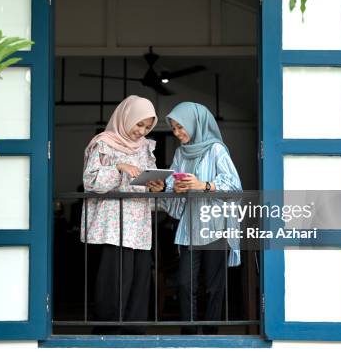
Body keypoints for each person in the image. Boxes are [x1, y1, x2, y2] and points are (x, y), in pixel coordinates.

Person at [149, 102, 242, 335]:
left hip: (215, 226)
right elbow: (173, 186)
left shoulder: (217, 150)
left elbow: (235, 186)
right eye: (174, 129)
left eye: (181, 128)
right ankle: (188, 334)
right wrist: (165, 188)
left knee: (213, 286)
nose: (178, 134)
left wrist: (203, 185)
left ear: (195, 124)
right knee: (184, 283)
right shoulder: (181, 152)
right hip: (190, 226)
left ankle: (211, 335)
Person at [81, 95, 163, 334]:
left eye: (147, 127)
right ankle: (107, 333)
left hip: (139, 224)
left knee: (139, 280)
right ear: (126, 117)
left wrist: (156, 185)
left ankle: (135, 332)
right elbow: (90, 181)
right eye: (139, 124)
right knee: (114, 280)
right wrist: (118, 167)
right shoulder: (103, 143)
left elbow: (149, 175)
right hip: (112, 224)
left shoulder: (146, 147)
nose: (141, 131)